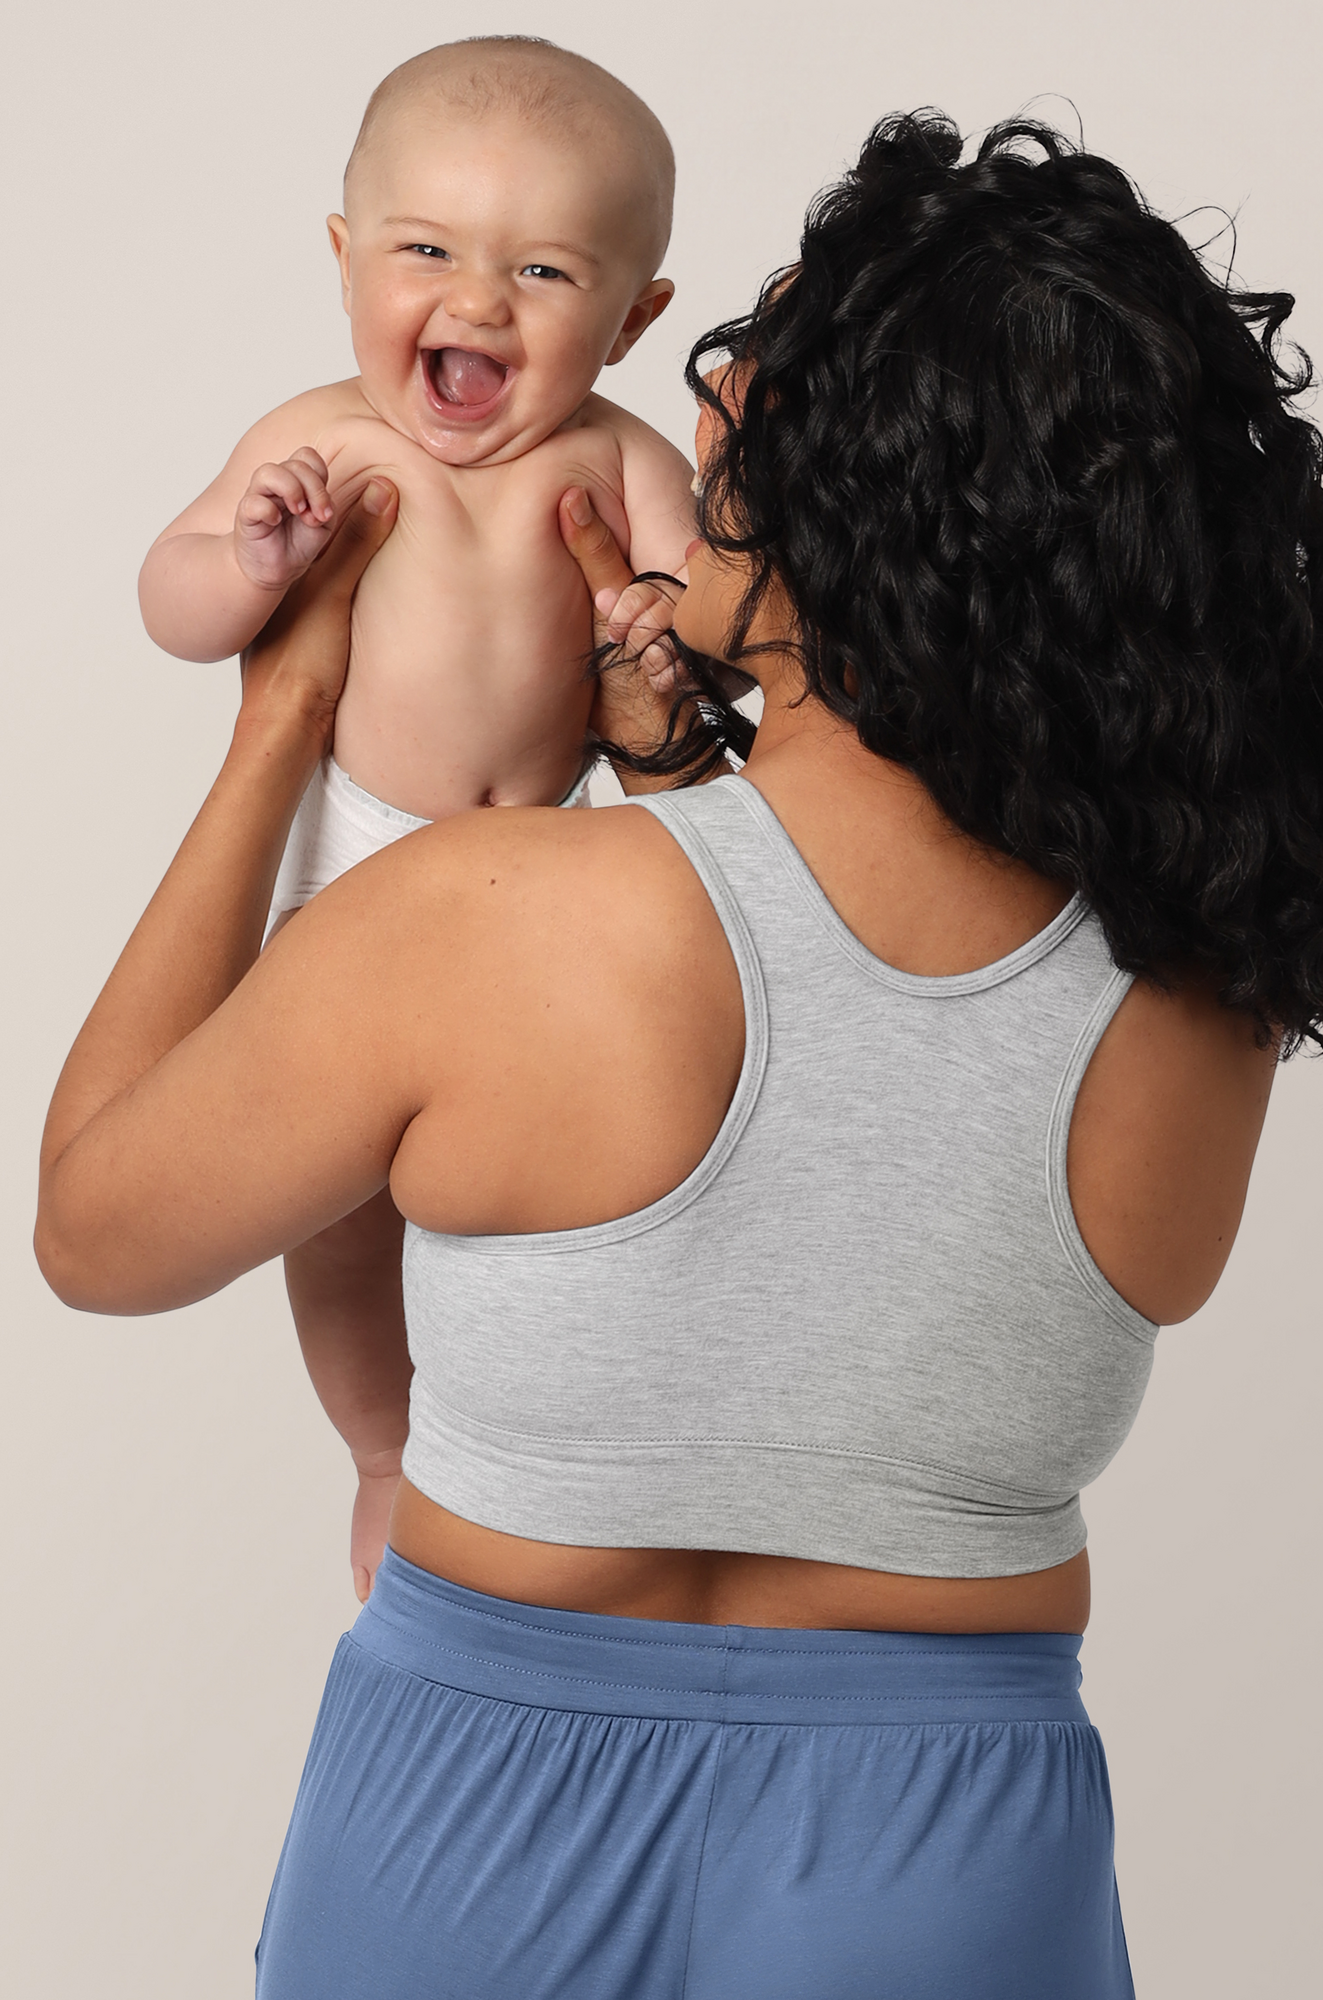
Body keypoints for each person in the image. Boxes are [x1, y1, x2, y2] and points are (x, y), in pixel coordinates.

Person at [37, 113, 1323, 1998]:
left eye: (731, 421)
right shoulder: (1199, 986)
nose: (685, 451)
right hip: (951, 1840)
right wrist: (686, 764)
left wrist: (284, 717)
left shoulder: (494, 919)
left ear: (859, 512)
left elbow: (98, 1229)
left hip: (470, 1822)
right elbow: (853, 1079)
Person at [137, 35, 694, 1596]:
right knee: (338, 1218)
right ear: (342, 260)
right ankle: (385, 1455)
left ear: (636, 317)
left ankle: (528, 1472)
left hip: (551, 884)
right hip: (353, 884)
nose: (478, 301)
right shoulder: (321, 442)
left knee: (547, 1197)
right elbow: (169, 603)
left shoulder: (615, 457)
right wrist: (246, 565)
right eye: (427, 251)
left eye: (542, 269)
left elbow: (718, 612)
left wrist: (661, 623)